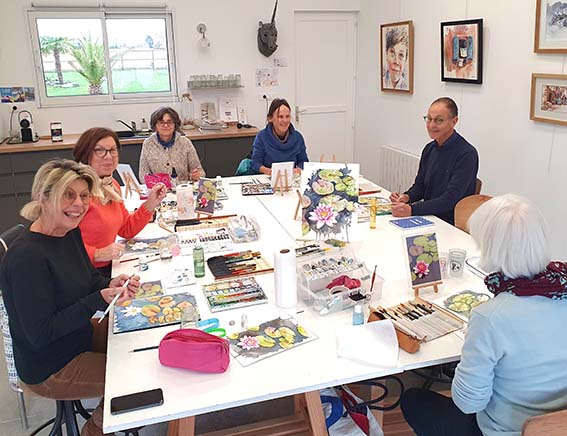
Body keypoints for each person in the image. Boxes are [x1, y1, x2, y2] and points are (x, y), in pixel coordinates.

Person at [401, 194, 567, 436]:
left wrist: (472, 355)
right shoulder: (560, 285)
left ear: (490, 248)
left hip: (506, 430)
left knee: (413, 400)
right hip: (559, 426)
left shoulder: (491, 317)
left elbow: (468, 403)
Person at [0, 159, 140, 436]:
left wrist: (110, 283)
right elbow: (40, 334)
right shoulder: (27, 258)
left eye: (84, 196)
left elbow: (88, 280)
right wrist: (97, 299)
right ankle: (96, 430)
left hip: (77, 336)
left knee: (138, 341)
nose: (79, 204)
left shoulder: (69, 233)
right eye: (68, 194)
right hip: (50, 365)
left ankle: (113, 415)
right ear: (43, 197)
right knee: (134, 381)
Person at [74, 127, 167, 276]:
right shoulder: (76, 190)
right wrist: (97, 253)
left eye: (112, 150)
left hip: (110, 267)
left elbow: (126, 229)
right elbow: (58, 243)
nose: (108, 156)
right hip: (83, 272)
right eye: (100, 150)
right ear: (85, 154)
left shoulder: (111, 186)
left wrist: (150, 204)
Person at [390, 97, 478, 224]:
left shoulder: (467, 154)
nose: (431, 125)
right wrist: (407, 197)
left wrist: (412, 209)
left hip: (450, 222)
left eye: (439, 120)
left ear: (454, 121)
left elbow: (450, 199)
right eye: (429, 119)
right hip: (428, 215)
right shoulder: (429, 149)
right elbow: (420, 186)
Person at [139, 106, 205, 182]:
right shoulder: (148, 144)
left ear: (175, 124)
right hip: (158, 189)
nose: (166, 125)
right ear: (155, 126)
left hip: (182, 189)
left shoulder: (185, 142)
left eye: (169, 122)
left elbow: (201, 173)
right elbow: (143, 176)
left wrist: (197, 175)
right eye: (161, 122)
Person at [250, 98, 309, 175]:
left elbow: (304, 161)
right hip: (269, 179)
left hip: (292, 179)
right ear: (270, 118)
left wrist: (298, 169)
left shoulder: (298, 137)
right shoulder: (262, 137)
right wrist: (269, 171)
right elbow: (255, 163)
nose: (285, 120)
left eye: (287, 116)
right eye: (280, 117)